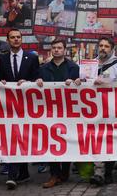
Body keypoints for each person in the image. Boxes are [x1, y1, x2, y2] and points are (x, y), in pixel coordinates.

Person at [0, 28, 40, 189]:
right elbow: (2, 79)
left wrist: (28, 83)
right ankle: (17, 173)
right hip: (10, 105)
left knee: (21, 137)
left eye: (18, 37)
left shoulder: (32, 58)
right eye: (12, 37)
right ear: (8, 40)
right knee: (14, 137)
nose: (16, 39)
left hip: (27, 104)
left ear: (22, 39)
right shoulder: (2, 60)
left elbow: (37, 77)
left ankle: (18, 173)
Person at [35, 39, 80, 188]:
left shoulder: (73, 67)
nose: (56, 50)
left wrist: (76, 82)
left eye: (59, 48)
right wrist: (37, 81)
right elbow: (35, 84)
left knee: (66, 140)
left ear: (65, 50)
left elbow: (80, 86)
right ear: (51, 50)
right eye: (54, 48)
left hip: (68, 110)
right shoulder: (43, 68)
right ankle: (54, 174)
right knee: (51, 142)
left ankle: (64, 172)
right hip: (49, 110)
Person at [90, 37, 117, 187]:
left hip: (112, 109)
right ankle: (99, 172)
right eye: (101, 45)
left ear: (112, 49)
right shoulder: (89, 65)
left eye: (106, 46)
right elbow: (82, 80)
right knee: (97, 140)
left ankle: (107, 172)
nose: (103, 48)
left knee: (110, 141)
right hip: (94, 109)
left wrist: (108, 82)